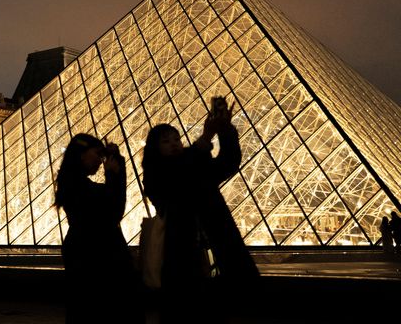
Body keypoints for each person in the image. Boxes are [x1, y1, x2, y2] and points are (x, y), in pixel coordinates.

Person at [141, 97, 259, 321]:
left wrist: (225, 131)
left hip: (217, 244)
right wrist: (205, 138)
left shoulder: (194, 162)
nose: (175, 143)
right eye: (166, 141)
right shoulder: (155, 173)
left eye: (176, 138)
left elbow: (227, 164)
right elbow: (177, 180)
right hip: (182, 256)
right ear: (155, 149)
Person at [54, 133, 137, 322]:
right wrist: (113, 174)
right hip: (95, 255)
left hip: (87, 252)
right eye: (98, 154)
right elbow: (113, 211)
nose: (101, 161)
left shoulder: (70, 182)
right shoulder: (77, 186)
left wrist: (115, 165)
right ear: (82, 154)